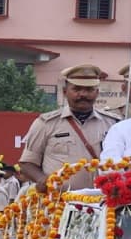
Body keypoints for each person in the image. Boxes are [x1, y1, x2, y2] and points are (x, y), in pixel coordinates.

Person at [19, 64, 121, 193]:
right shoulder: (46, 124)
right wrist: (42, 179)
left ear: (97, 92)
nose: (83, 94)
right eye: (77, 89)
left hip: (101, 202)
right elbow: (27, 163)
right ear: (65, 91)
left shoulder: (113, 123)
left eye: (89, 89)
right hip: (58, 203)